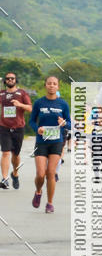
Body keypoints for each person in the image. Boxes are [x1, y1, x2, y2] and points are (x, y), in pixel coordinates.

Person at [29, 76, 70, 212]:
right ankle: (38, 191)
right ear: (45, 85)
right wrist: (37, 129)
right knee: (41, 174)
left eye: (54, 84)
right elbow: (32, 121)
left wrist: (63, 123)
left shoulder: (63, 104)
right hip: (42, 142)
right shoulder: (39, 103)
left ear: (58, 86)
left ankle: (50, 203)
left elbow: (69, 123)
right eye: (49, 83)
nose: (52, 86)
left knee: (51, 173)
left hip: (56, 142)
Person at [0, 71, 32, 190]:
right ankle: (4, 178)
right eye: (8, 79)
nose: (10, 80)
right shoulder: (2, 94)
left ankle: (15, 173)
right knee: (5, 152)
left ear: (15, 80)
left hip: (18, 127)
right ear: (5, 81)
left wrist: (20, 105)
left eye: (12, 78)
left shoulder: (22, 93)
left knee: (15, 154)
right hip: (4, 127)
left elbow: (30, 108)